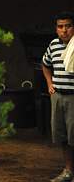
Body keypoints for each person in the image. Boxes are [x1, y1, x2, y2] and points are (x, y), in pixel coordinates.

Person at [42, 11, 74, 182]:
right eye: (60, 27)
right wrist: (49, 83)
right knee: (62, 135)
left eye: (68, 26)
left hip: (73, 97)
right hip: (58, 96)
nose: (64, 30)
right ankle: (68, 171)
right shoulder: (54, 44)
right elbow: (45, 64)